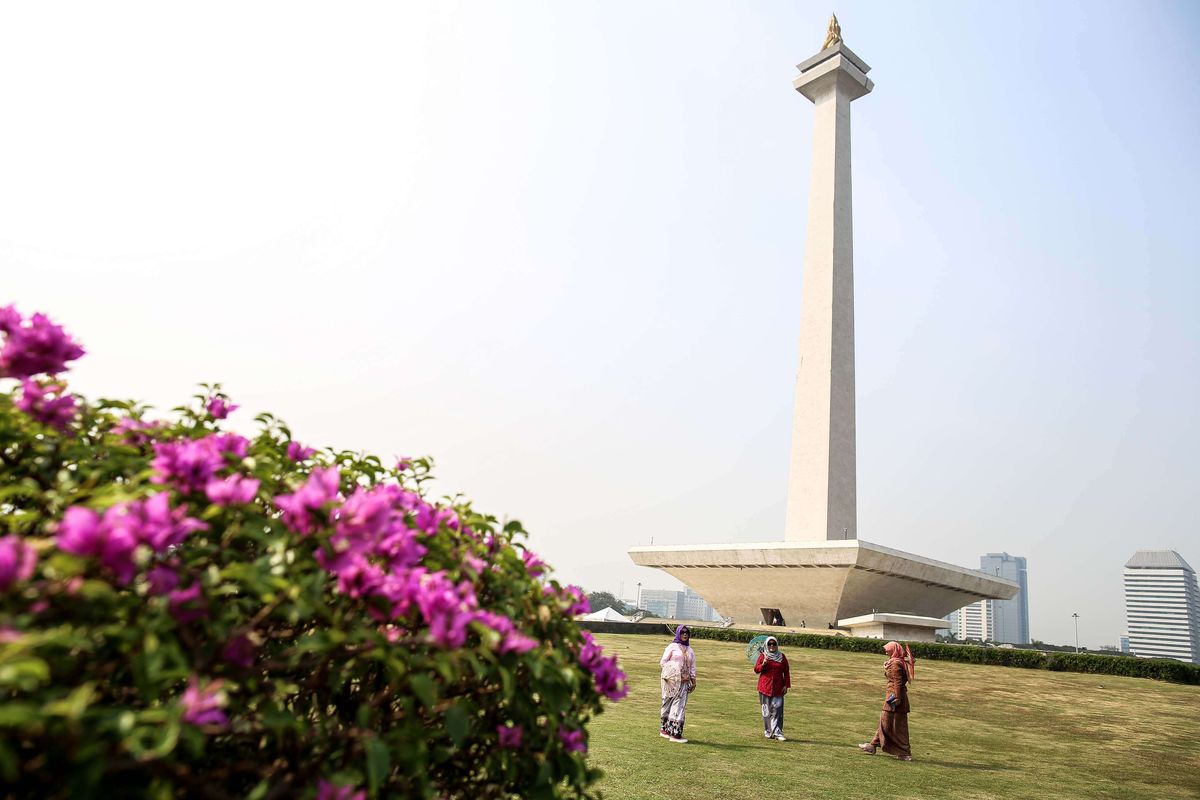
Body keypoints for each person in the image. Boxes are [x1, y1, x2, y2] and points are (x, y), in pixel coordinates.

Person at [858, 641, 915, 761]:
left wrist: (898, 699)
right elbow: (893, 677)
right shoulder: (896, 662)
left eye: (887, 649)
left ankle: (904, 753)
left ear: (893, 650)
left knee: (896, 725)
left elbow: (898, 682)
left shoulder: (895, 663)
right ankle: (873, 745)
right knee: (887, 723)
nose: (885, 651)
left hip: (894, 698)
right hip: (894, 697)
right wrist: (886, 668)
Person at [659, 625, 696, 743]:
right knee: (667, 704)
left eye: (687, 633)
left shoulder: (690, 650)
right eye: (683, 632)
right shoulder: (672, 646)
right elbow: (663, 662)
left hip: (684, 682)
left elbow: (692, 667)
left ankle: (674, 732)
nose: (685, 634)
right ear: (678, 633)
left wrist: (693, 681)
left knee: (679, 706)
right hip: (671, 681)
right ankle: (666, 730)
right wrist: (673, 671)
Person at [753, 636, 791, 741]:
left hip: (778, 688)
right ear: (766, 645)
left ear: (777, 645)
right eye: (769, 644)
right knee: (766, 711)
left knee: (778, 710)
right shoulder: (763, 656)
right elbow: (756, 670)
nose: (771, 646)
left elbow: (786, 672)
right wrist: (763, 664)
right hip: (764, 687)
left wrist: (786, 685)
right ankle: (768, 731)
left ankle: (778, 732)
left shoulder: (782, 657)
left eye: (773, 644)